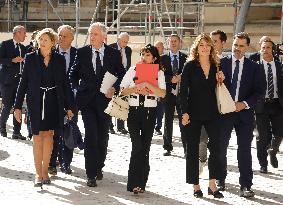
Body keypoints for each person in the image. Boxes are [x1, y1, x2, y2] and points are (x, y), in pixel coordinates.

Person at [13, 28, 75, 187]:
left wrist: (69, 107)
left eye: (45, 40)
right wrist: (17, 106)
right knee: (37, 136)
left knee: (48, 136)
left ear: (52, 42)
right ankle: (38, 173)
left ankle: (45, 172)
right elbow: (23, 83)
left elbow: (65, 84)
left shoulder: (59, 59)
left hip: (53, 102)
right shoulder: (30, 58)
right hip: (35, 102)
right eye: (40, 39)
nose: (42, 42)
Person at [69, 22, 123, 187]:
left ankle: (99, 165)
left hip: (106, 102)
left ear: (104, 36)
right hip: (87, 102)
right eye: (90, 34)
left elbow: (122, 74)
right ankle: (90, 173)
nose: (91, 37)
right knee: (91, 136)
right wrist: (78, 89)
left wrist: (115, 87)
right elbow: (73, 75)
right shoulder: (82, 52)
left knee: (103, 137)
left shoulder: (113, 54)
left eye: (95, 34)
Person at [218, 32, 266, 197]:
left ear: (247, 47)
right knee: (221, 147)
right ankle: (220, 180)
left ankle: (246, 185)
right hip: (224, 113)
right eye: (235, 45)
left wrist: (243, 104)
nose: (237, 48)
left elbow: (260, 93)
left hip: (244, 114)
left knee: (244, 149)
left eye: (241, 46)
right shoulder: (220, 63)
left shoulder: (255, 67)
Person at [180, 33, 224, 199]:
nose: (205, 48)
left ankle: (212, 184)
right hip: (193, 113)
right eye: (201, 45)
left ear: (211, 47)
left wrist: (221, 79)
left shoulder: (216, 65)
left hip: (213, 112)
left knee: (217, 148)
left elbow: (219, 88)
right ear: (197, 48)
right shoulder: (190, 66)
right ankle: (195, 185)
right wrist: (184, 112)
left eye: (208, 45)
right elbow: (183, 92)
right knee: (192, 149)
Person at [120, 44, 166, 194]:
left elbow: (163, 93)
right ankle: (132, 183)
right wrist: (135, 88)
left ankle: (141, 183)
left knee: (145, 148)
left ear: (154, 58)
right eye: (142, 55)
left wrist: (148, 85)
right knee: (137, 146)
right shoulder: (133, 69)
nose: (144, 58)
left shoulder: (159, 73)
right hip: (133, 112)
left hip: (149, 112)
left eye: (147, 55)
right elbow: (122, 90)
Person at [48, 25, 78, 176]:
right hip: (53, 99)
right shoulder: (50, 53)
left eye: (65, 36)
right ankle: (52, 163)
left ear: (72, 38)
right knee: (54, 132)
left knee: (68, 132)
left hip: (72, 100)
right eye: (60, 35)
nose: (61, 38)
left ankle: (66, 163)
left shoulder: (79, 54)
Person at [198, 30, 227, 174]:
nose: (211, 44)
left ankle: (218, 176)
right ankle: (202, 159)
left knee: (219, 144)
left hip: (222, 108)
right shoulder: (201, 61)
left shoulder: (227, 62)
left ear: (223, 43)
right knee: (202, 139)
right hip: (204, 108)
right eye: (210, 41)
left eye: (215, 41)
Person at [253, 40, 283, 173]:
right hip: (261, 105)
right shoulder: (256, 66)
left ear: (273, 49)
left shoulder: (279, 65)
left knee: (280, 133)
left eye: (268, 47)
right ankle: (263, 163)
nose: (265, 50)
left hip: (277, 103)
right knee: (262, 136)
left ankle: (273, 150)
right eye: (263, 47)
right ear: (260, 49)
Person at [162, 34, 187, 156]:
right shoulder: (162, 58)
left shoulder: (186, 58)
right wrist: (170, 79)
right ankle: (167, 147)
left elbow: (189, 74)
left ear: (180, 42)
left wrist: (182, 77)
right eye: (171, 41)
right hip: (168, 94)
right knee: (168, 120)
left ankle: (186, 147)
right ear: (168, 43)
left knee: (184, 119)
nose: (173, 43)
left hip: (182, 94)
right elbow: (159, 75)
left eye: (175, 41)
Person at [0, 25, 27, 140]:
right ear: (17, 33)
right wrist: (12, 60)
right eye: (24, 33)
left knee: (18, 107)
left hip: (19, 81)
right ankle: (2, 128)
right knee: (7, 105)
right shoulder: (5, 44)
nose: (25, 35)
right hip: (6, 81)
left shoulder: (24, 48)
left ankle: (16, 132)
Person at [109, 32, 132, 135]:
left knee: (122, 101)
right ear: (118, 39)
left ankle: (121, 126)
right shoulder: (110, 48)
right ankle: (110, 126)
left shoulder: (128, 50)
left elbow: (128, 65)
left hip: (124, 79)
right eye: (123, 41)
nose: (125, 44)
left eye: (126, 42)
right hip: (112, 78)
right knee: (110, 101)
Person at [153, 41, 165, 135]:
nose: (157, 49)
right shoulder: (150, 59)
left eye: (159, 47)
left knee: (160, 111)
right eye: (155, 47)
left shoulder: (165, 59)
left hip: (161, 89)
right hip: (151, 90)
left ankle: (158, 127)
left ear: (162, 48)